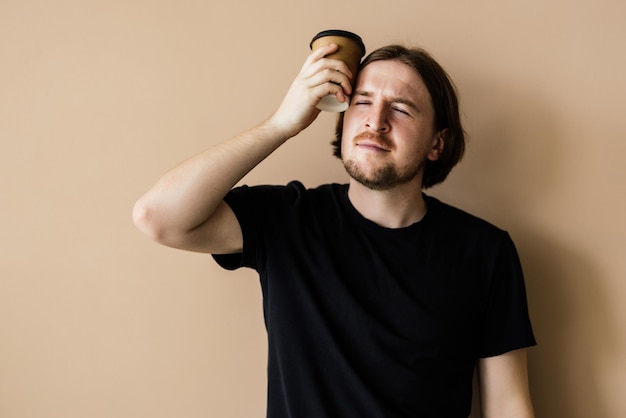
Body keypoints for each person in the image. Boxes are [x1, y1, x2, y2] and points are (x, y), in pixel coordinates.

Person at [133, 42, 536, 418]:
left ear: (437, 143)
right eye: (362, 102)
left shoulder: (485, 251)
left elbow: (508, 403)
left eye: (401, 109)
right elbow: (157, 217)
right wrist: (281, 124)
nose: (375, 122)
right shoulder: (287, 219)